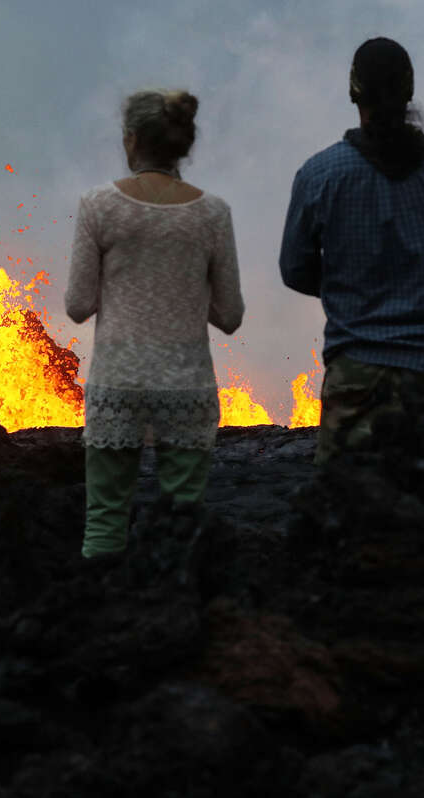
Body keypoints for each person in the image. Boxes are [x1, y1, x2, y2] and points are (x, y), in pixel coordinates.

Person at [279, 37, 424, 467]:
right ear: (409, 91)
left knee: (349, 515)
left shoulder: (320, 174)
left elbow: (294, 269)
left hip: (356, 380)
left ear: (353, 92)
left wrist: (350, 286)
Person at [64, 89, 244, 560]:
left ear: (131, 141)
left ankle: (102, 618)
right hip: (186, 388)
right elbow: (230, 316)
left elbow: (78, 305)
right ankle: (177, 619)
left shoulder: (98, 206)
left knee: (104, 524)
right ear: (183, 144)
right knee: (182, 527)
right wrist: (182, 286)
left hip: (117, 384)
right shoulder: (213, 214)